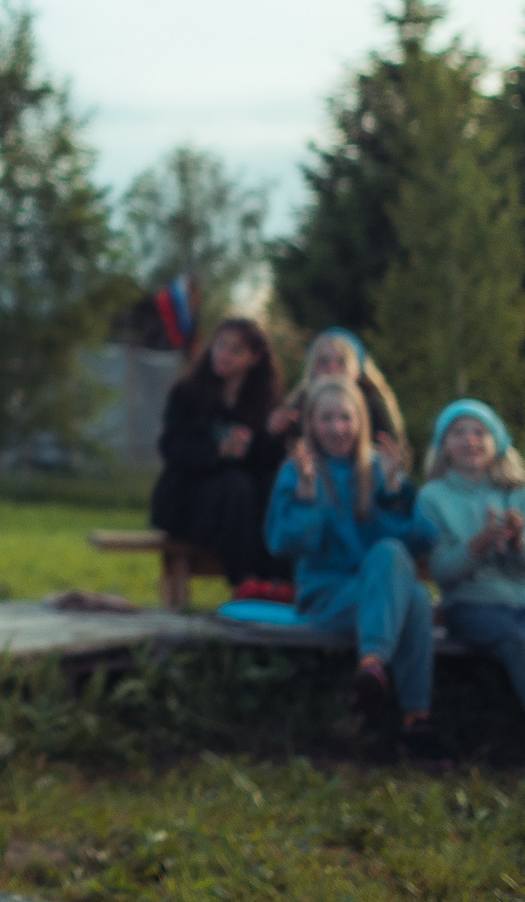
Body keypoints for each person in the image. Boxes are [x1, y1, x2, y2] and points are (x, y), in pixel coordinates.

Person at [264, 376, 447, 762]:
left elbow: (424, 539)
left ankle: (372, 668)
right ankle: (416, 720)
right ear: (311, 423)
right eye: (326, 418)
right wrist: (308, 499)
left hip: (378, 592)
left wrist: (396, 491)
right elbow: (281, 543)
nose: (336, 428)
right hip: (328, 595)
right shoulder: (298, 471)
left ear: (361, 421)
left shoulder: (381, 468)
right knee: (412, 596)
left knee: (399, 569)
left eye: (345, 418)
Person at [416, 401, 525, 777]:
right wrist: (477, 545)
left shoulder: (518, 491)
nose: (470, 440)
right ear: (444, 445)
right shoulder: (432, 497)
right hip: (471, 605)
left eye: (479, 431)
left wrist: (517, 544)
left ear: (496, 441)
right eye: (458, 432)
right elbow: (442, 573)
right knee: (522, 645)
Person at [147, 316, 288, 596]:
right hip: (188, 500)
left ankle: (278, 583)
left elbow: (265, 463)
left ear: (254, 358)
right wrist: (218, 451)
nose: (223, 355)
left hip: (238, 505)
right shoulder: (187, 393)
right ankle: (246, 582)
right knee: (236, 485)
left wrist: (271, 437)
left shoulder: (262, 401)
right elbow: (172, 449)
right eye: (220, 345)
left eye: (235, 350)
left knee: (271, 485)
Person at [267, 327, 408, 459]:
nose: (332, 368)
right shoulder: (297, 408)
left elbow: (393, 455)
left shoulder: (373, 405)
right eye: (323, 361)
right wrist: (273, 434)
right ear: (312, 369)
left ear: (357, 370)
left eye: (341, 361)